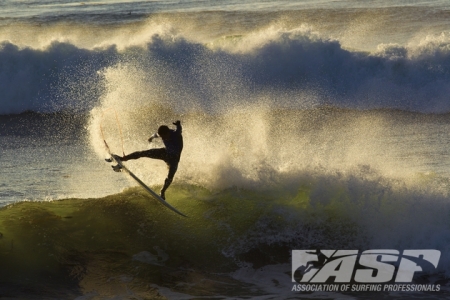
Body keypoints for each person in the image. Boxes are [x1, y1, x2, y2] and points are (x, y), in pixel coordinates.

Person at [112, 120, 183, 200]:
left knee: (170, 176)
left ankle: (162, 192)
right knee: (143, 153)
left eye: (164, 136)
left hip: (174, 159)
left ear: (167, 133)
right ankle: (122, 159)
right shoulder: (161, 134)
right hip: (165, 153)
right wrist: (151, 137)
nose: (162, 138)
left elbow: (179, 129)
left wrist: (178, 124)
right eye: (161, 137)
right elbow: (156, 134)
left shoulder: (175, 134)